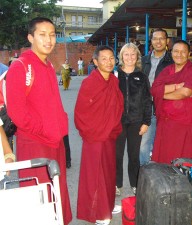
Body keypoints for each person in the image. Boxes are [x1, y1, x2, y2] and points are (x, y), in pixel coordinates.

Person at [5, 17, 72, 224]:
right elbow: (17, 112)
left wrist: (60, 123)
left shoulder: (49, 65)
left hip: (55, 140)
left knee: (56, 193)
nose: (49, 39)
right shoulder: (21, 66)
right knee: (39, 198)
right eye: (42, 34)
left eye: (52, 35)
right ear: (30, 37)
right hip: (35, 142)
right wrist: (43, 129)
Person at [75, 46, 124, 225]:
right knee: (96, 175)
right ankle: (97, 213)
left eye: (111, 58)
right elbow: (81, 113)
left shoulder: (113, 80)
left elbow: (117, 105)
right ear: (95, 62)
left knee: (108, 172)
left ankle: (108, 205)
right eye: (104, 59)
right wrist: (93, 131)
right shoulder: (89, 83)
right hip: (95, 135)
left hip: (110, 133)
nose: (109, 62)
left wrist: (111, 125)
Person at [150, 40, 192, 164]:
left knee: (181, 158)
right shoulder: (167, 70)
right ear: (171, 52)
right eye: (176, 51)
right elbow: (154, 90)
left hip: (184, 123)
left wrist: (162, 95)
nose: (179, 54)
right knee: (163, 158)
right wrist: (175, 87)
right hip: (165, 122)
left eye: (183, 51)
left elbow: (185, 92)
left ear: (189, 54)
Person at [115, 43, 152, 196]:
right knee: (117, 155)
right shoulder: (115, 75)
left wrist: (146, 122)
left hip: (136, 121)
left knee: (134, 155)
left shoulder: (142, 76)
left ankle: (135, 183)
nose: (129, 57)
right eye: (126, 54)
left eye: (133, 54)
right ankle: (116, 184)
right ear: (121, 56)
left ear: (137, 57)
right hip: (118, 122)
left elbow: (147, 100)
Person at [140, 28, 173, 165]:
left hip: (165, 107)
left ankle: (162, 174)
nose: (158, 41)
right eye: (155, 38)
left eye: (161, 38)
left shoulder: (172, 60)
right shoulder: (143, 60)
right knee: (144, 146)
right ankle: (145, 175)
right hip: (146, 108)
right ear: (151, 41)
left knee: (164, 143)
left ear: (167, 41)